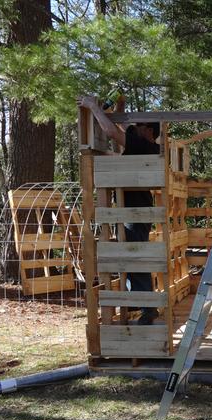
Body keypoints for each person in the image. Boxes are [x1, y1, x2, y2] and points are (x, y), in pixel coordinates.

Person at [77, 96, 161, 325]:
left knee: (133, 256)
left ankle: (148, 307)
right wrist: (120, 109)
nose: (134, 129)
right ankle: (141, 301)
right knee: (131, 255)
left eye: (138, 126)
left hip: (134, 210)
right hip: (133, 208)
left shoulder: (145, 145)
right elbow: (123, 129)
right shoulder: (146, 147)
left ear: (148, 130)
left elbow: (113, 132)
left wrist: (93, 106)